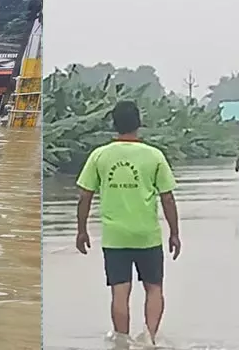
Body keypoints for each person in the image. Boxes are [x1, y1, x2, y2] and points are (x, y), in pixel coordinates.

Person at [75, 100, 181, 344]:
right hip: (148, 236)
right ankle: (150, 339)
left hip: (115, 238)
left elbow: (84, 196)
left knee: (119, 291)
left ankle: (122, 341)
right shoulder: (154, 155)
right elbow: (167, 198)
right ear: (139, 123)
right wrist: (174, 233)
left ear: (114, 124)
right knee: (154, 288)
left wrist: (81, 231)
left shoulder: (99, 155)